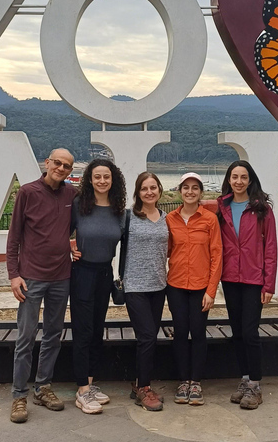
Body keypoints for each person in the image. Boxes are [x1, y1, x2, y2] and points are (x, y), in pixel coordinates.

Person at [7, 148, 76, 424]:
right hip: (31, 277)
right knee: (25, 338)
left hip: (61, 276)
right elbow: (14, 237)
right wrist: (14, 274)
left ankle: (42, 387)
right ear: (47, 163)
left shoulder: (71, 194)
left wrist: (76, 242)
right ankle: (19, 395)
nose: (61, 168)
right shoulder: (27, 192)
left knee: (53, 335)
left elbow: (83, 222)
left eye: (67, 166)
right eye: (57, 163)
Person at [216, 160, 277, 410]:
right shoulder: (222, 208)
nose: (239, 181)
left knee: (250, 332)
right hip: (230, 279)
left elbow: (270, 248)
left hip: (254, 280)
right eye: (234, 177)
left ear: (250, 180)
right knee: (237, 332)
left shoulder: (262, 209)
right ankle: (244, 380)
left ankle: (255, 384)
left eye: (243, 177)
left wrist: (268, 284)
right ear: (229, 180)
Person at [70, 158, 126, 414]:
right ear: (89, 180)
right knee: (83, 331)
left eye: (106, 177)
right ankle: (81, 390)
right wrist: (67, 249)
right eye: (97, 177)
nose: (102, 181)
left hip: (105, 274)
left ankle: (90, 383)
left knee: (96, 331)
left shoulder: (119, 210)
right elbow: (60, 233)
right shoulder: (79, 206)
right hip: (82, 274)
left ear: (113, 180)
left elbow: (125, 247)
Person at [165, 172, 222, 406]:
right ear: (180, 191)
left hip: (200, 286)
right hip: (176, 284)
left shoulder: (210, 220)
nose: (190, 192)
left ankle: (196, 381)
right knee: (179, 332)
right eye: (186, 187)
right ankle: (183, 381)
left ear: (201, 192)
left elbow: (217, 256)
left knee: (198, 332)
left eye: (195, 188)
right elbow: (165, 250)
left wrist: (211, 290)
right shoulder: (170, 219)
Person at [122, 172, 169, 412]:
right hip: (135, 286)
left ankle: (139, 383)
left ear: (159, 190)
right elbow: (107, 239)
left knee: (148, 339)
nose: (149, 192)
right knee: (148, 336)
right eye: (144, 188)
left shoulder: (165, 218)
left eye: (153, 187)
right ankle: (145, 388)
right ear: (137, 193)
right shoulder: (128, 218)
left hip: (159, 285)